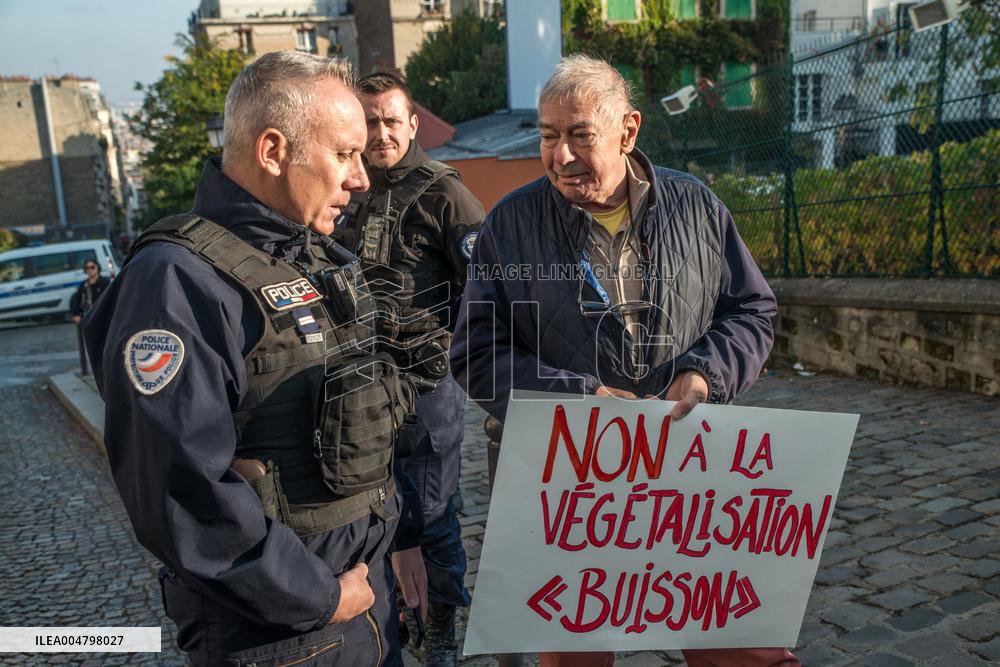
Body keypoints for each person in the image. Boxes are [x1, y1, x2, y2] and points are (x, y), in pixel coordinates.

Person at [450, 55, 799, 667]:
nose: (560, 155)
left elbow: (752, 310)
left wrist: (704, 374)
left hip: (689, 473)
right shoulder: (509, 224)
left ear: (628, 130)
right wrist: (582, 398)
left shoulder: (697, 206)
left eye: (580, 135)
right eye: (548, 136)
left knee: (742, 648)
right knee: (575, 653)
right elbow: (477, 354)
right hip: (569, 484)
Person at [83, 52, 421, 666]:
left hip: (366, 608)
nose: (361, 177)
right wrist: (316, 595)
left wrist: (397, 548)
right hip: (278, 634)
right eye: (344, 154)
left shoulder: (310, 257)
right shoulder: (175, 281)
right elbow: (179, 487)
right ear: (272, 151)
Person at [333, 72, 484, 667]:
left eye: (391, 120)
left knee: (431, 511)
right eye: (369, 121)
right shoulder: (349, 187)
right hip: (358, 386)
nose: (380, 132)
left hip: (425, 383)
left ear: (412, 124)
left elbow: (486, 286)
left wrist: (462, 354)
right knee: (375, 510)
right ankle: (401, 615)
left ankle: (442, 625)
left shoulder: (445, 192)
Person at [69, 259, 110, 324]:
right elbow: (76, 299)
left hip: (104, 316)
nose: (90, 270)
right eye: (87, 268)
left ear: (97, 267)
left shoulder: (105, 282)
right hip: (88, 318)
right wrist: (76, 314)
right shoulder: (83, 285)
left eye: (92, 267)